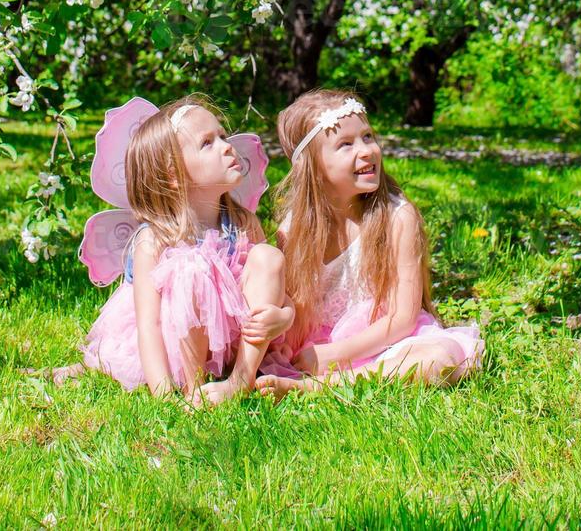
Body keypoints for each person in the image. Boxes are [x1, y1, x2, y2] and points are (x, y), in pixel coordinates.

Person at [60, 95, 293, 405]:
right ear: (173, 174)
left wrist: (284, 318)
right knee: (192, 270)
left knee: (268, 256)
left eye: (223, 135)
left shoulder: (242, 222)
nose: (227, 146)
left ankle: (241, 379)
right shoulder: (154, 240)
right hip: (175, 346)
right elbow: (150, 325)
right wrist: (162, 395)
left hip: (236, 341)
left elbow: (278, 292)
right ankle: (192, 389)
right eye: (207, 143)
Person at [256, 89, 483, 399]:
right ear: (313, 168)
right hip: (319, 345)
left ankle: (315, 389)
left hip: (388, 342)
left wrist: (335, 356)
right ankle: (319, 380)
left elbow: (402, 319)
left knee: (436, 362)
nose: (366, 151)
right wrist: (285, 343)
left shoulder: (398, 218)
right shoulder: (294, 228)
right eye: (346, 144)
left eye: (367, 137)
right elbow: (297, 304)